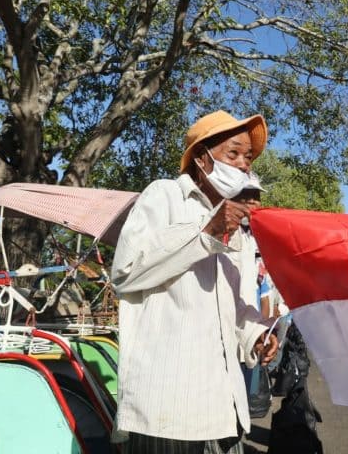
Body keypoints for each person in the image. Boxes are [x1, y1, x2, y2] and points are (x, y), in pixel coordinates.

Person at [111, 110, 279, 453]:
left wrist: (255, 336)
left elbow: (233, 305)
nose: (244, 164)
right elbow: (125, 272)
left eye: (247, 157)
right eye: (232, 154)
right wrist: (206, 232)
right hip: (169, 405)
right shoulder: (164, 195)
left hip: (225, 404)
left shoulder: (239, 230)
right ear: (202, 158)